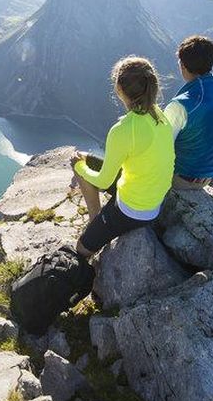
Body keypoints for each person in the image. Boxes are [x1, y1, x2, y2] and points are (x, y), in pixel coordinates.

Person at [70, 57, 175, 258]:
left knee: (81, 249)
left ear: (119, 89)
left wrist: (79, 166)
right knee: (87, 158)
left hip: (133, 210)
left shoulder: (124, 130)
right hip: (154, 200)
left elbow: (104, 181)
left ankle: (97, 224)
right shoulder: (160, 115)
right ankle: (98, 223)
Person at [163, 35, 213, 190]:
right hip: (208, 177)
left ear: (182, 65)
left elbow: (161, 145)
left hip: (179, 177)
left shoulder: (182, 105)